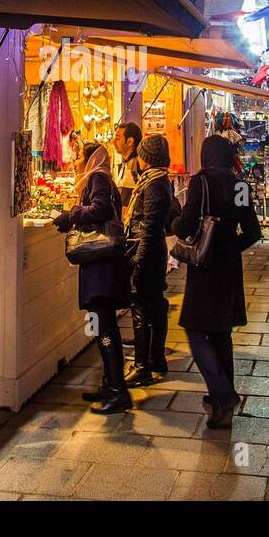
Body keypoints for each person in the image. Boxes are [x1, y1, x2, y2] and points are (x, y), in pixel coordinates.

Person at [171, 134, 263, 429]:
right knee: (222, 333)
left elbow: (186, 224)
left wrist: (173, 222)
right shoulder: (240, 186)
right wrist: (229, 246)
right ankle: (222, 405)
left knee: (196, 331)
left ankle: (223, 395)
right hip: (229, 268)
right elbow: (252, 231)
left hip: (205, 267)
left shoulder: (202, 182)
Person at [53, 143, 131, 415]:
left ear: (91, 159)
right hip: (102, 265)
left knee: (105, 326)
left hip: (102, 266)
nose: (75, 161)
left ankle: (118, 391)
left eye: (80, 157)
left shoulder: (98, 178)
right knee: (102, 324)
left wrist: (71, 216)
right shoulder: (102, 178)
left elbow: (99, 210)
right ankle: (110, 384)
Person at [124, 134, 173, 386]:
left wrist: (138, 260)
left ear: (147, 158)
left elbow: (151, 227)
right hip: (152, 252)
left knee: (142, 308)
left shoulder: (154, 184)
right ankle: (156, 359)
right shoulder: (158, 180)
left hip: (148, 253)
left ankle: (142, 366)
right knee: (155, 304)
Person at [112, 121, 143, 209]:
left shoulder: (139, 164)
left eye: (117, 139)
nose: (113, 141)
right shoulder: (124, 163)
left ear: (129, 142)